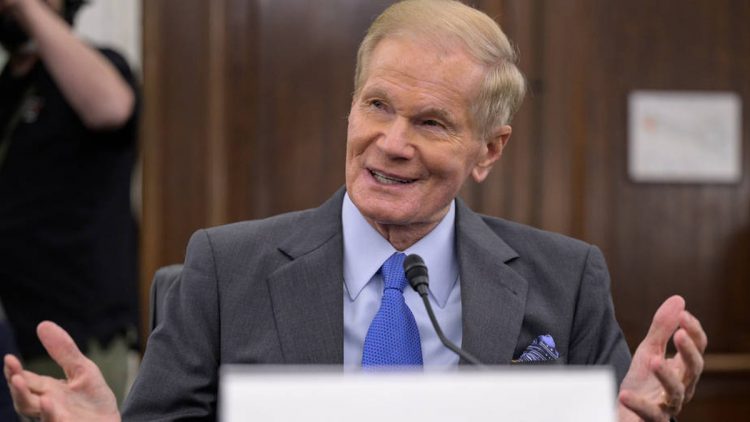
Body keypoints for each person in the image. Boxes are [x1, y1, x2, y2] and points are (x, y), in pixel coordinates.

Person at [4, 0, 706, 421]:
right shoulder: (223, 269)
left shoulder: (567, 279)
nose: (391, 143)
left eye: (431, 122)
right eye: (377, 105)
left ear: (489, 151)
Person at [0, 0, 139, 405]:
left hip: (78, 335)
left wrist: (26, 7)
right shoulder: (7, 87)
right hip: (14, 332)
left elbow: (112, 108)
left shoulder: (99, 65)